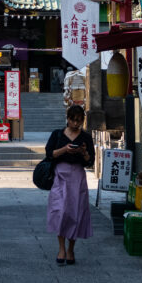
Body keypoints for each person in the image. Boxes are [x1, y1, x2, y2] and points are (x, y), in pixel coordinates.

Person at [45, 104, 94, 265]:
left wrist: (83, 152)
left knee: (76, 212)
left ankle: (71, 249)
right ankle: (61, 248)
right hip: (61, 174)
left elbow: (90, 161)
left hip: (78, 176)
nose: (75, 124)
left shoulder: (85, 137)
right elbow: (50, 153)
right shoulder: (58, 134)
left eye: (79, 121)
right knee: (60, 210)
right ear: (67, 119)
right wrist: (65, 149)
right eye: (73, 120)